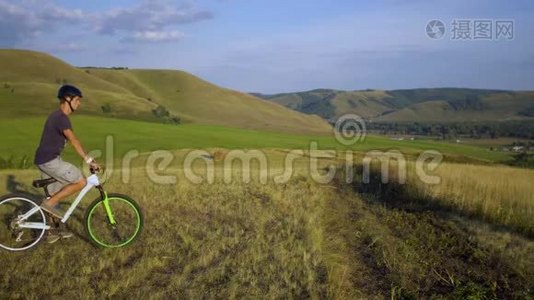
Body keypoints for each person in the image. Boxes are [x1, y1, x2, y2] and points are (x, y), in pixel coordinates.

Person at [34, 85, 100, 243]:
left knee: (54, 195)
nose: (79, 103)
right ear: (67, 100)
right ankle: (48, 205)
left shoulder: (57, 116)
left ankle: (52, 231)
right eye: (77, 100)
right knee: (80, 181)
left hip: (44, 159)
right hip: (49, 160)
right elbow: (73, 140)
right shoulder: (61, 117)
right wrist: (89, 160)